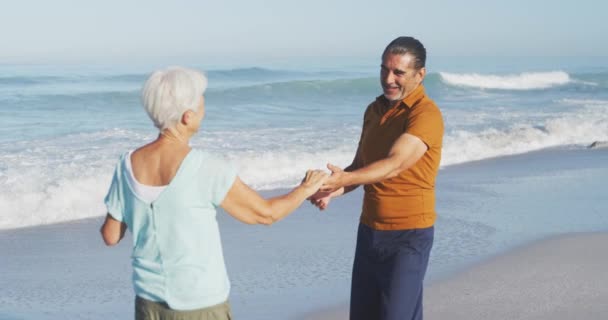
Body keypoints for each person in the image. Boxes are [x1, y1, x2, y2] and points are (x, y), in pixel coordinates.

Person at [100, 67, 328, 320]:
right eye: (201, 101)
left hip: (148, 303)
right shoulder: (206, 166)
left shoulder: (127, 164)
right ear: (187, 116)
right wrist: (306, 188)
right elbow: (265, 214)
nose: (205, 107)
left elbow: (110, 235)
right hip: (199, 304)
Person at [310, 36, 444, 320]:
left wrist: (343, 180)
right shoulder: (374, 110)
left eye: (398, 72)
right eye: (384, 69)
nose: (388, 79)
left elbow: (395, 163)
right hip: (370, 232)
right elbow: (361, 165)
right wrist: (333, 190)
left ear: (420, 75)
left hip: (409, 235)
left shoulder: (426, 115)